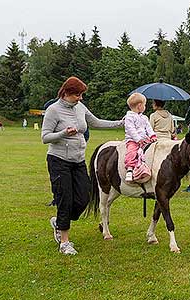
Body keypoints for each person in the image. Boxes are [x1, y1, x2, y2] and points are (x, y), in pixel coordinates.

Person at [42, 76, 124, 255]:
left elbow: (95, 122)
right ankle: (64, 242)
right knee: (65, 198)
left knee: (84, 198)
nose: (80, 98)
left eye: (81, 95)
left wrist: (120, 122)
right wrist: (63, 133)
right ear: (66, 93)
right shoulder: (53, 110)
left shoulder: (80, 107)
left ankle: (59, 221)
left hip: (78, 160)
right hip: (58, 161)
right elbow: (45, 137)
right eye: (77, 95)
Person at [124, 93, 157, 183]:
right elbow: (131, 130)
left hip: (144, 139)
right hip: (133, 140)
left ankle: (147, 167)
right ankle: (130, 169)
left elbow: (148, 127)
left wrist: (152, 136)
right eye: (144, 105)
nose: (145, 107)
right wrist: (138, 139)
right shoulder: (129, 117)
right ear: (139, 106)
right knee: (131, 151)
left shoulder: (144, 118)